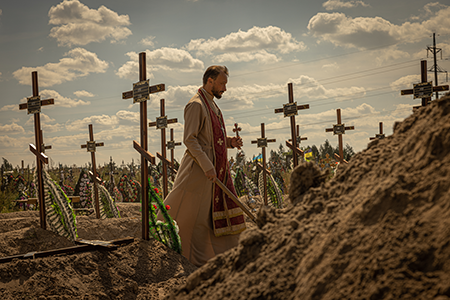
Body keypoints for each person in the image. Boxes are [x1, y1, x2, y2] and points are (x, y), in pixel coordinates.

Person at [158, 65, 246, 267]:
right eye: (222, 83)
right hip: (198, 170)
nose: (225, 88)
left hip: (214, 170)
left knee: (206, 215)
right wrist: (207, 165)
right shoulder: (196, 105)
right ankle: (172, 246)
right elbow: (190, 140)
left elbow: (212, 136)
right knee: (187, 212)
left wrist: (230, 142)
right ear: (210, 81)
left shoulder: (212, 104)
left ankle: (218, 253)